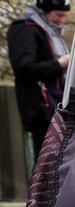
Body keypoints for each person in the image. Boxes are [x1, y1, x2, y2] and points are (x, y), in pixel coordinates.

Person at [7, 0, 71, 158]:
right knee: (45, 163)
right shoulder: (25, 29)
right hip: (41, 109)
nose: (62, 20)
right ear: (44, 11)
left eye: (65, 16)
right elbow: (23, 68)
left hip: (55, 106)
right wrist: (60, 63)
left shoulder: (49, 30)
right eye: (58, 15)